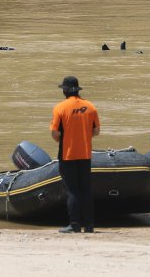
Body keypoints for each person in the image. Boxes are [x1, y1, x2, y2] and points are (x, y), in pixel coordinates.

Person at [50, 76, 100, 233]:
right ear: (78, 90)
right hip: (85, 153)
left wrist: (62, 140)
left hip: (67, 153)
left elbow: (54, 132)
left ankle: (75, 224)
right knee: (86, 188)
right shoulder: (90, 107)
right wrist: (84, 138)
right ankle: (90, 225)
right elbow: (96, 131)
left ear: (64, 90)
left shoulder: (60, 108)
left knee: (73, 189)